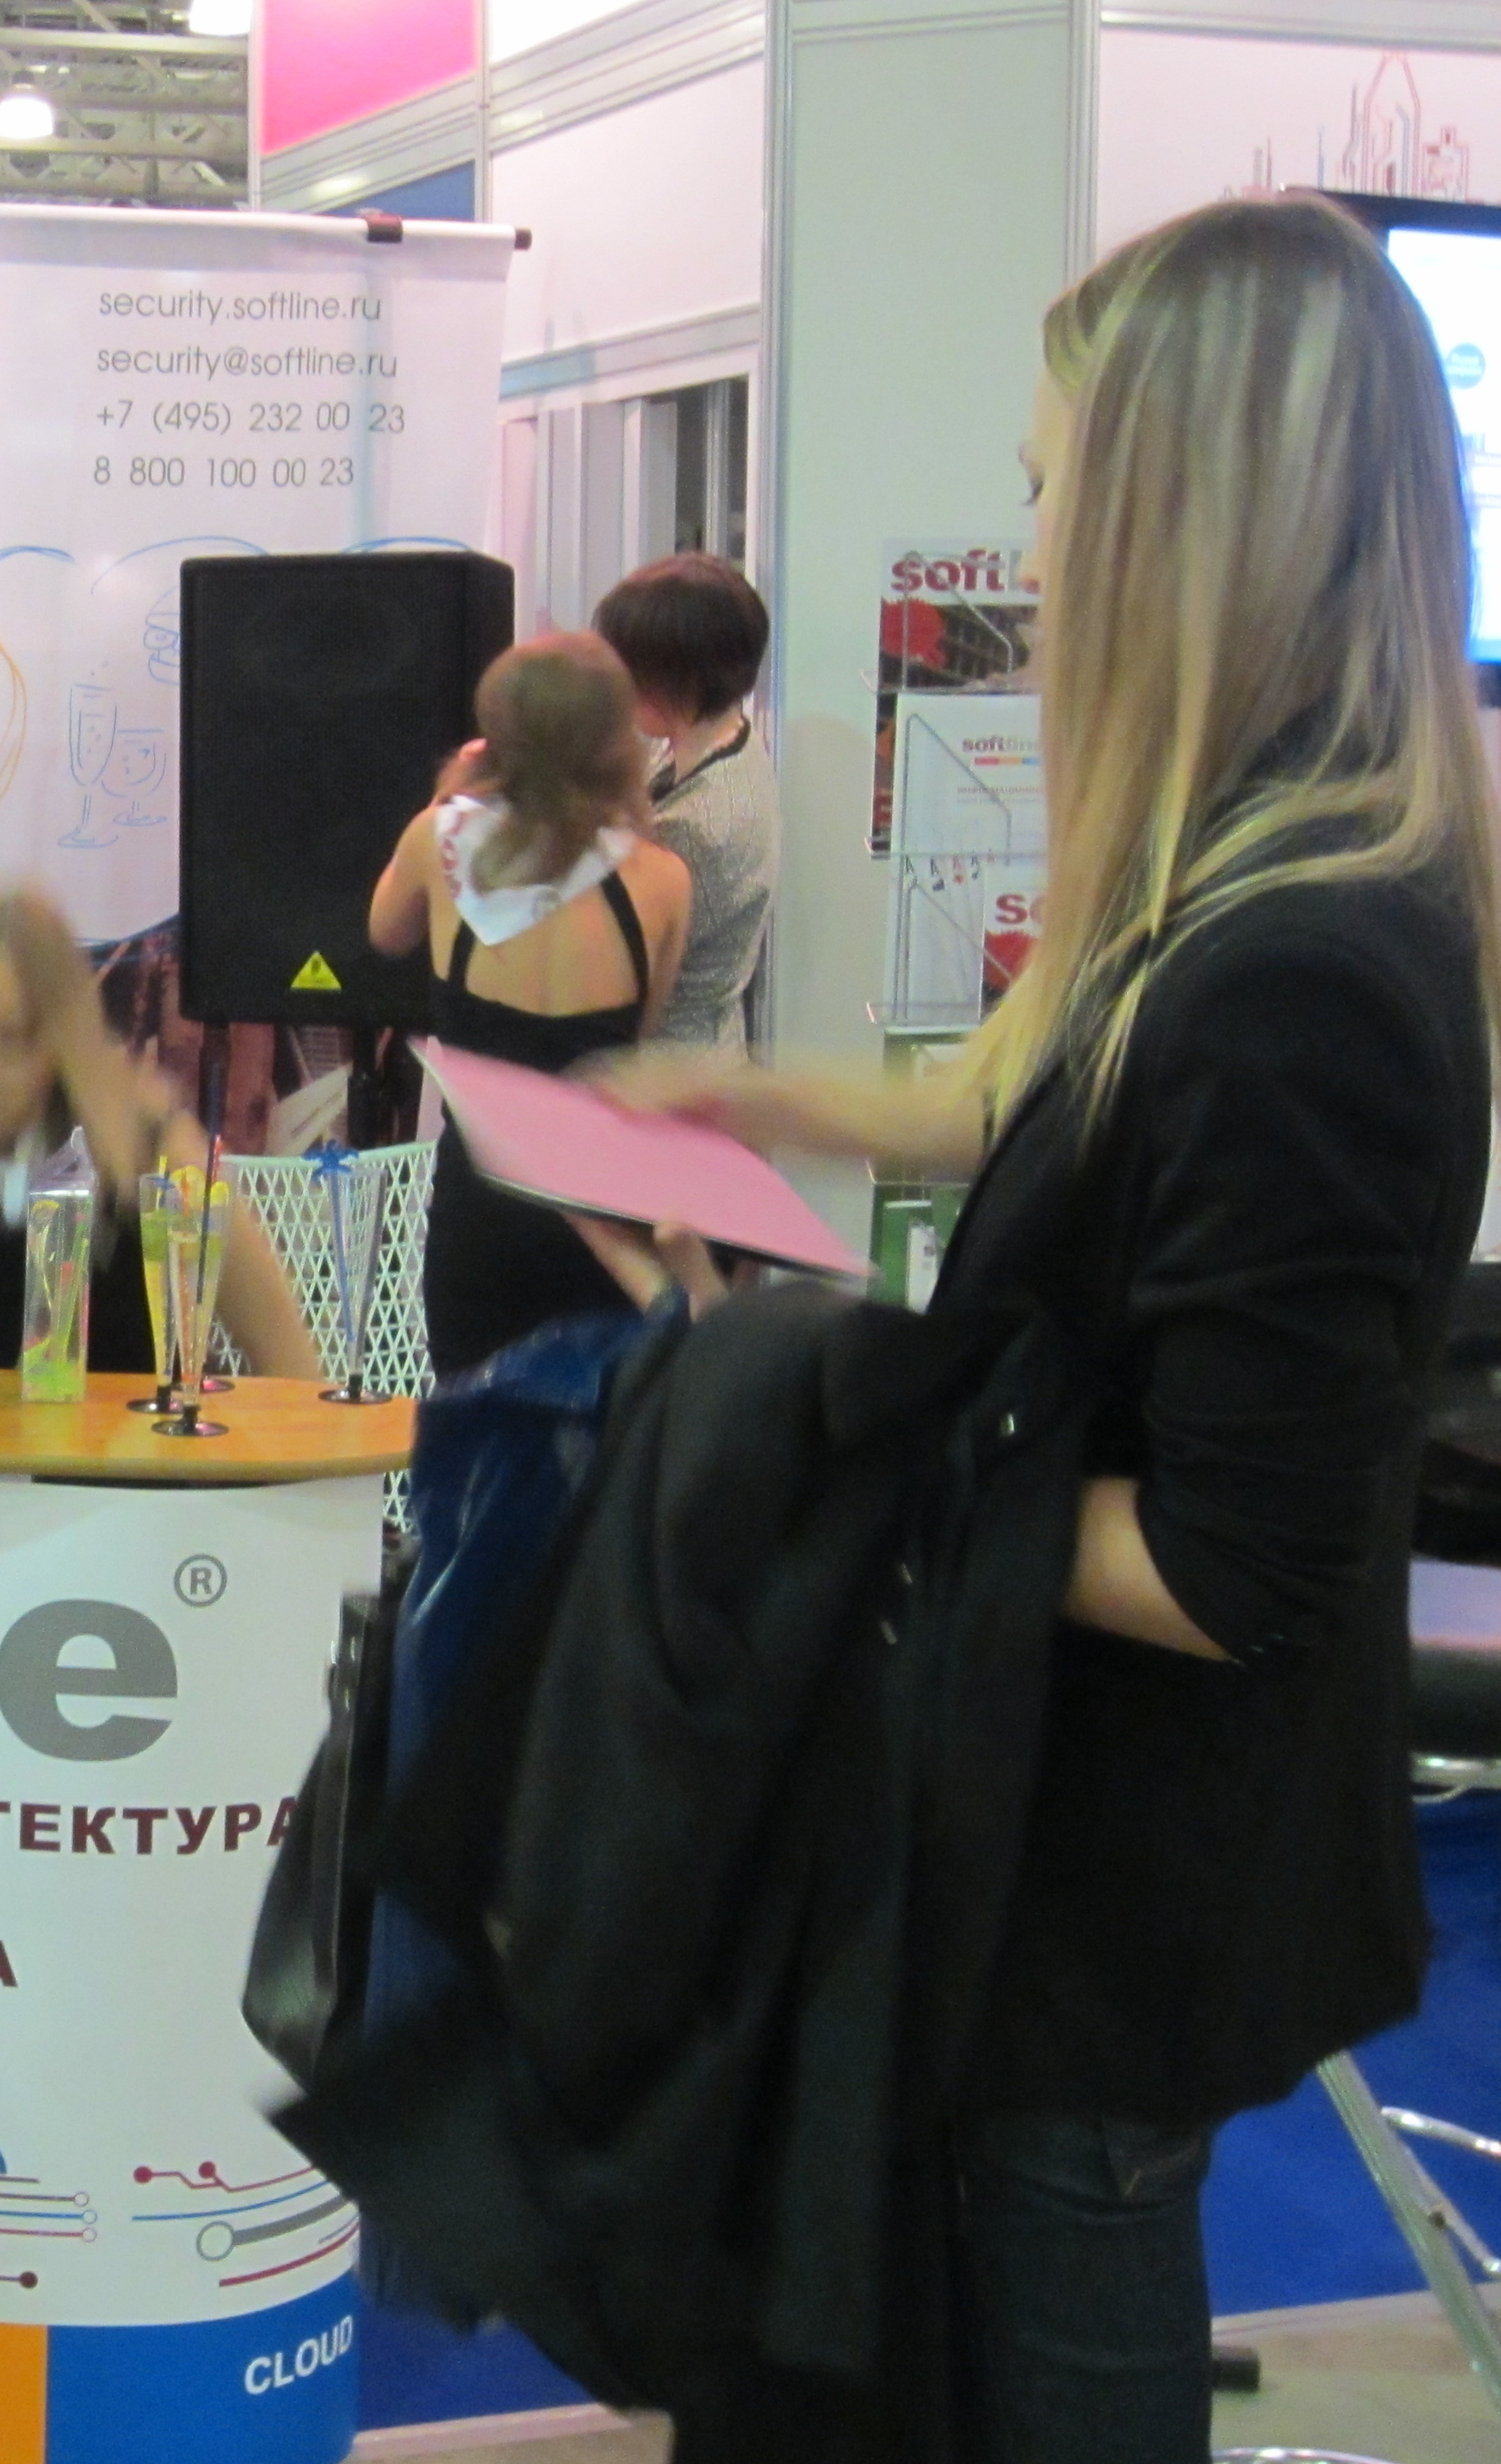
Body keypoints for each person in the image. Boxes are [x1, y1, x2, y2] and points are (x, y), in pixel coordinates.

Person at [604, 195, 1498, 2459]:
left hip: (1097, 1896)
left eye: (1048, 486)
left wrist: (843, 1435)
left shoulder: (1296, 970)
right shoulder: (1245, 887)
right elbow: (1069, 1110)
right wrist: (769, 1106)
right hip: (1049, 1857)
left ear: (1180, 519)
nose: (1027, 550)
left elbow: (1228, 1562)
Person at [365, 632, 691, 1378]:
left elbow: (385, 932)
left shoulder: (437, 842)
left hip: (481, 1203)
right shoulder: (664, 877)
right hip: (604, 1210)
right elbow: (641, 1032)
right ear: (618, 741)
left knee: (475, 1421)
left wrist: (451, 793)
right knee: (608, 1426)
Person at [0, 890, 319, 1381]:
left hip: (135, 1434)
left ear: (64, 1038)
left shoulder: (157, 1154)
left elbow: (294, 1370)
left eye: (12, 1039)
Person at [593, 552, 779, 1049]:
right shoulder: (714, 739)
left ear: (673, 677)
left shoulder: (698, 826)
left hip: (669, 1066)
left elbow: (619, 965)